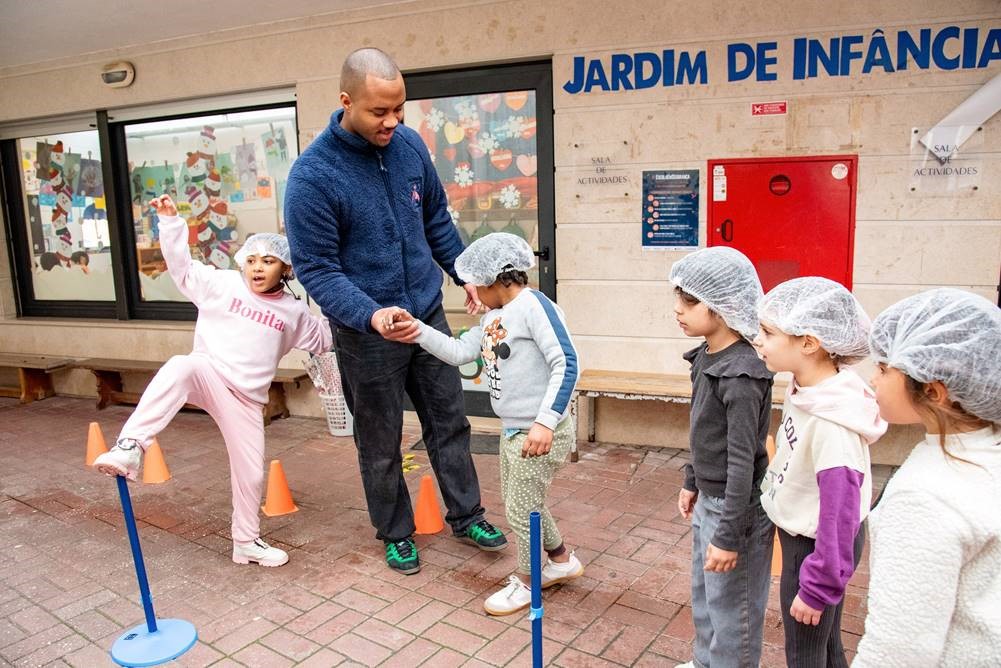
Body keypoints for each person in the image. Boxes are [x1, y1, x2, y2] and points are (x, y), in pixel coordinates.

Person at [283, 47, 505, 575]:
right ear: (346, 102)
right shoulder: (312, 177)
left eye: (399, 108)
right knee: (380, 439)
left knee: (449, 420)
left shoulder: (407, 145)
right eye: (379, 112)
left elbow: (435, 220)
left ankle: (467, 513)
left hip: (427, 314)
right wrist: (370, 315)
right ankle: (396, 531)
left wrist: (463, 273)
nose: (393, 121)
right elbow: (316, 269)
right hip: (368, 333)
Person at [92, 194, 331, 568]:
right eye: (251, 260)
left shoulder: (295, 311)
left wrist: (354, 304)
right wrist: (171, 223)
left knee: (251, 474)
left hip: (247, 400)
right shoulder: (221, 284)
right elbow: (182, 268)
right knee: (179, 366)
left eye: (268, 261)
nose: (257, 267)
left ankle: (246, 542)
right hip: (209, 373)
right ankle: (130, 446)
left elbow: (325, 340)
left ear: (285, 268)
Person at [387, 233, 582, 614]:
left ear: (495, 279)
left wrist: (545, 422)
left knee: (520, 510)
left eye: (474, 284)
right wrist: (418, 330)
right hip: (514, 431)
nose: (471, 292)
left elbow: (567, 362)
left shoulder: (534, 307)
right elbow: (459, 353)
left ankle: (528, 582)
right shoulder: (494, 316)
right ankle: (560, 560)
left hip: (540, 432)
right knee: (527, 505)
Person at [853, 288, 1001, 666]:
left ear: (934, 391)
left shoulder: (925, 497)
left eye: (884, 368)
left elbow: (897, 651)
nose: (872, 379)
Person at [754, 277, 886, 668]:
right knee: (826, 645)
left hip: (817, 548)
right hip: (813, 541)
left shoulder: (832, 422)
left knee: (805, 652)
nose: (757, 340)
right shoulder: (810, 387)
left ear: (809, 343)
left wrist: (819, 585)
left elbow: (841, 510)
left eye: (767, 332)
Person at [670, 246, 775, 668]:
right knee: (706, 598)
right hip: (710, 502)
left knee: (734, 611)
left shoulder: (743, 371)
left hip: (737, 510)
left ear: (723, 305)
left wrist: (729, 534)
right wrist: (692, 478)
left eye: (690, 301)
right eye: (678, 298)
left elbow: (742, 458)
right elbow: (705, 430)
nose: (678, 309)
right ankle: (704, 662)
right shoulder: (707, 357)